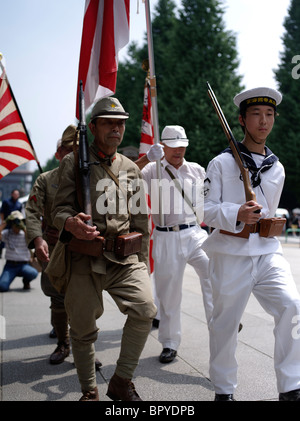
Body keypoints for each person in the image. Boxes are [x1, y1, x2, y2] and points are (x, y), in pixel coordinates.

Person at [46, 97, 157, 401]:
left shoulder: (131, 169)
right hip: (83, 256)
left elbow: (140, 221)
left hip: (123, 257)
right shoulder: (71, 162)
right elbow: (58, 210)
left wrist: (143, 263)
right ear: (93, 127)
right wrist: (71, 223)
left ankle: (122, 380)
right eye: (109, 122)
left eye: (120, 123)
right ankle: (89, 390)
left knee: (145, 309)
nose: (116, 129)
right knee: (82, 329)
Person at [202, 87, 300, 401]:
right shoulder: (220, 164)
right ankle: (224, 390)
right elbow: (203, 209)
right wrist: (236, 213)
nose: (263, 121)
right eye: (256, 114)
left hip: (268, 252)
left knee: (293, 306)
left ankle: (291, 385)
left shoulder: (277, 167)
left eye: (269, 114)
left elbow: (269, 211)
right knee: (226, 324)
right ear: (242, 120)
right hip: (230, 253)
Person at [136, 125, 213, 364]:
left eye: (182, 145)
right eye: (173, 146)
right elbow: (123, 174)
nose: (178, 150)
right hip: (166, 235)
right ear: (163, 146)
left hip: (195, 233)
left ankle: (221, 322)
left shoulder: (197, 170)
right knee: (169, 294)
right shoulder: (152, 169)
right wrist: (146, 157)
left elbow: (210, 199)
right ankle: (169, 343)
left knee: (215, 273)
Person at [25, 125, 78, 365]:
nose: (73, 155)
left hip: (84, 247)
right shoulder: (46, 180)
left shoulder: (90, 177)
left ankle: (84, 349)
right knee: (57, 298)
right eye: (68, 150)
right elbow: (32, 212)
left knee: (84, 298)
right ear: (59, 154)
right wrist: (38, 240)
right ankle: (63, 343)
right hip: (55, 245)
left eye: (77, 151)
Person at [0, 210, 38, 291]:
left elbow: (32, 238)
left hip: (23, 265)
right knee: (2, 287)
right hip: (10, 265)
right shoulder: (7, 233)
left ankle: (26, 281)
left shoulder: (25, 234)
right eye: (15, 222)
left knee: (33, 273)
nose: (17, 224)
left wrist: (23, 227)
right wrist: (5, 222)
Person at [0, 189, 22, 257]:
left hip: (15, 224)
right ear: (12, 194)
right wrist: (3, 221)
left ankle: (15, 252)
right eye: (15, 194)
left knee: (15, 239)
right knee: (2, 238)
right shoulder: (6, 202)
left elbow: (20, 215)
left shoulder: (19, 204)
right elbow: (2, 212)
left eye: (17, 194)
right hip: (6, 223)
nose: (16, 195)